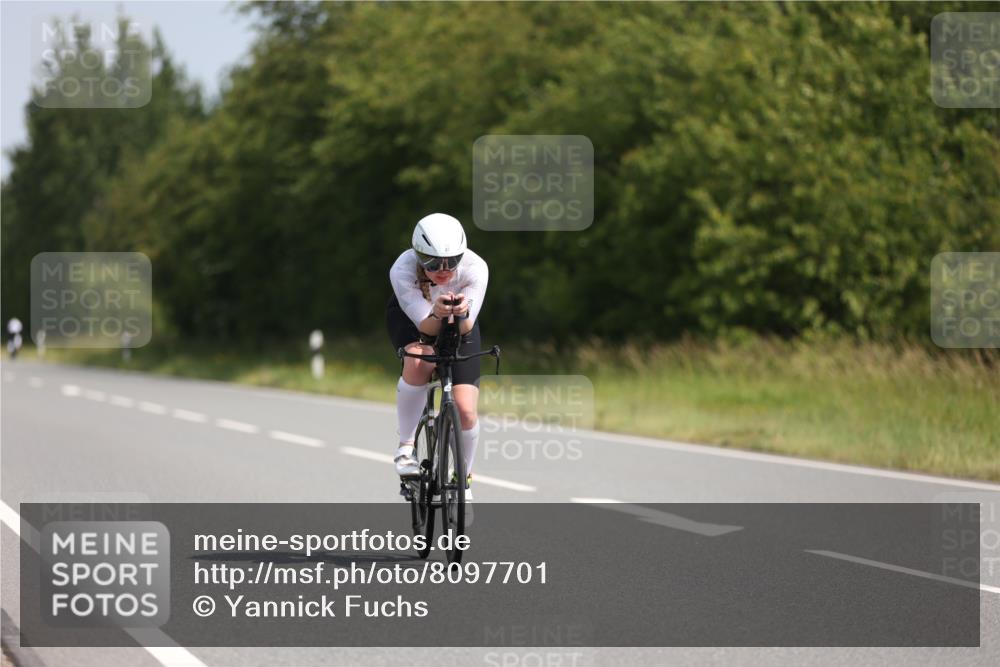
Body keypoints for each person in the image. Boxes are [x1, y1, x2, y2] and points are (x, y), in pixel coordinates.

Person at [387, 213, 488, 502]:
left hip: (461, 321)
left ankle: (463, 476)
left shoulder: (475, 267)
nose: (443, 271)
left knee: (466, 409)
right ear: (418, 256)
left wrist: (457, 312)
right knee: (420, 359)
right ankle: (405, 448)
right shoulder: (402, 268)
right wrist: (437, 312)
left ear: (462, 255)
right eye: (432, 263)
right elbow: (425, 327)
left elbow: (466, 327)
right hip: (414, 318)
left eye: (451, 262)